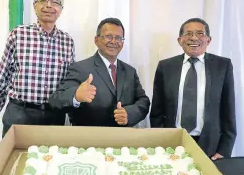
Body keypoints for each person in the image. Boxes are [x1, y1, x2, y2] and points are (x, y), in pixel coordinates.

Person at [0, 0, 75, 147]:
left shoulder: (67, 41)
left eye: (55, 2)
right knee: (15, 165)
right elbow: (1, 78)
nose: (49, 6)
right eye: (43, 0)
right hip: (20, 114)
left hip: (54, 116)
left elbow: (69, 84)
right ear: (34, 5)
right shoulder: (19, 34)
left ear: (61, 9)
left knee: (49, 165)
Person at [150, 18, 236, 160]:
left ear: (208, 40)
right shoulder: (165, 67)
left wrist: (224, 149)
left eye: (200, 33)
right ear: (180, 40)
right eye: (188, 33)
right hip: (172, 144)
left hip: (211, 146)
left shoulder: (222, 66)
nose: (194, 38)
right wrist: (161, 143)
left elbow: (229, 109)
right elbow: (157, 112)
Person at [49, 18, 150, 127]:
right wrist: (76, 95)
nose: (114, 41)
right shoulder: (80, 68)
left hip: (123, 140)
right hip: (88, 140)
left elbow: (143, 101)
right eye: (108, 36)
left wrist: (129, 114)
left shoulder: (130, 71)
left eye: (118, 38)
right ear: (96, 40)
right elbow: (55, 101)